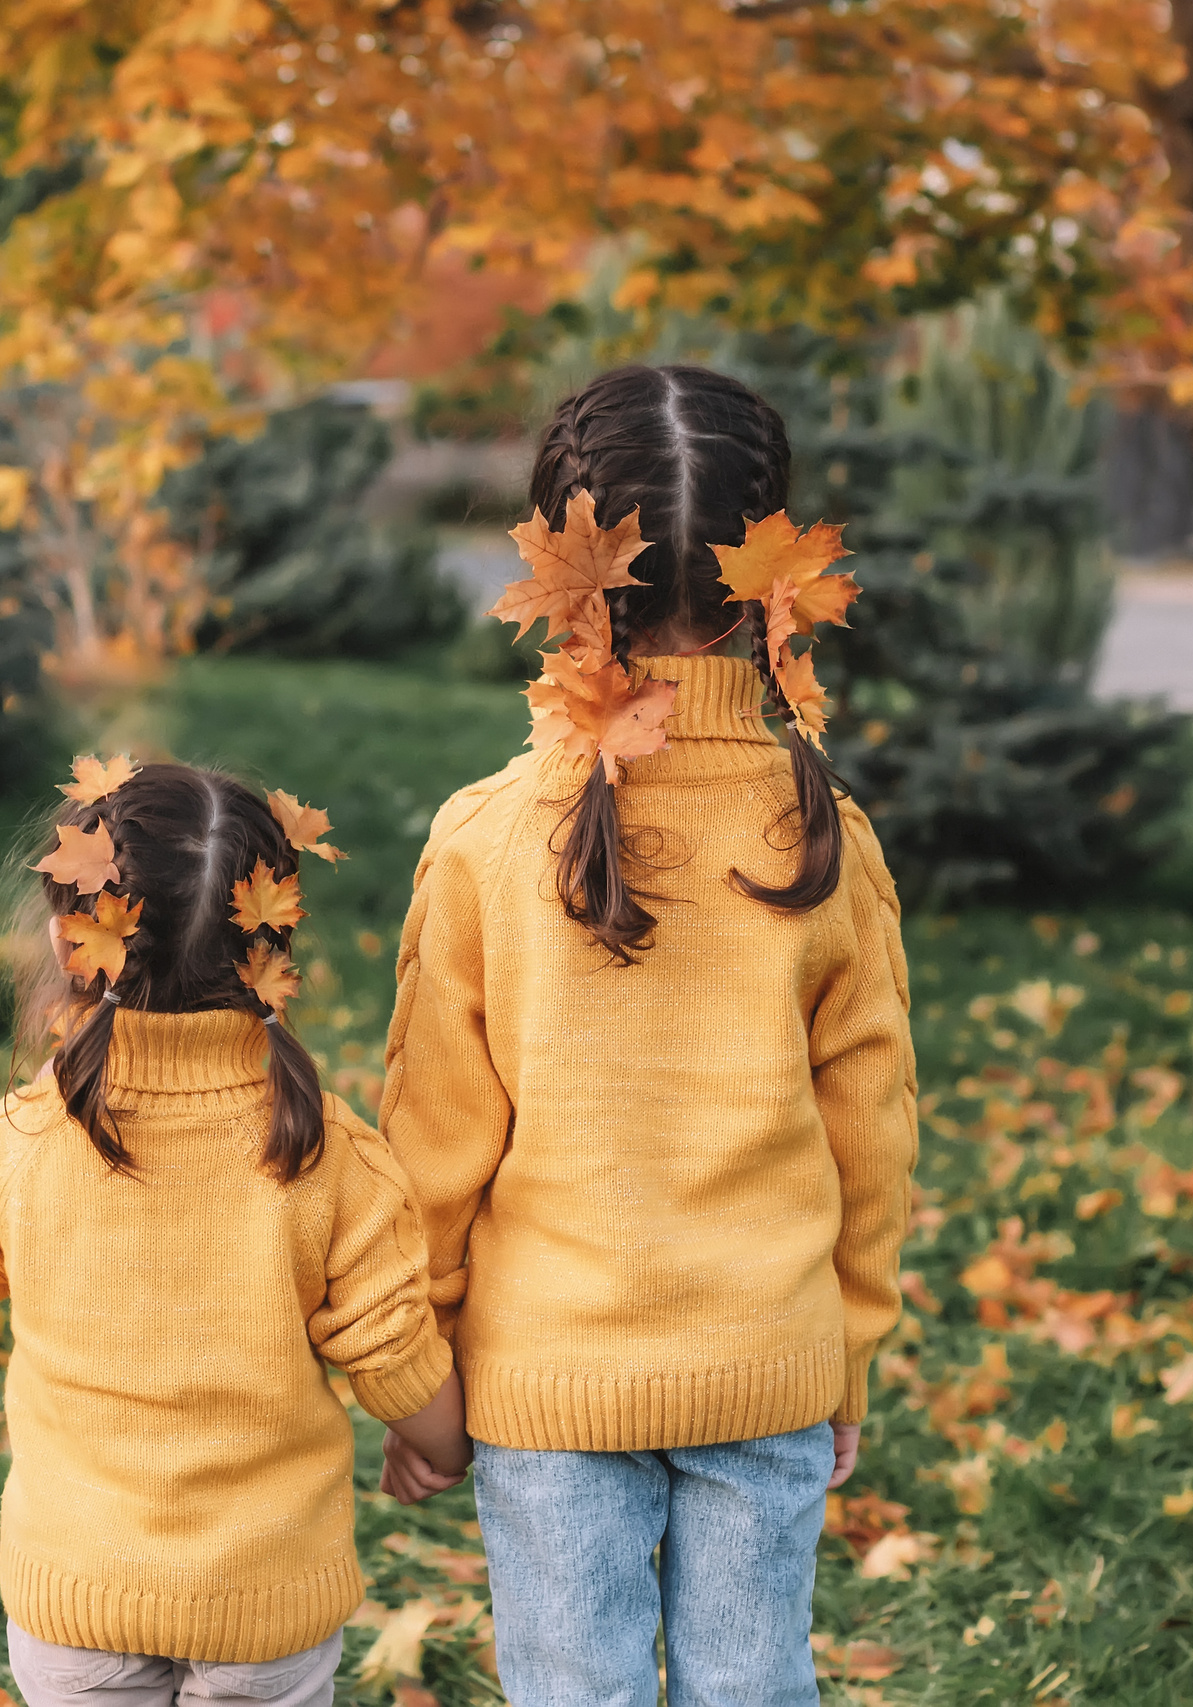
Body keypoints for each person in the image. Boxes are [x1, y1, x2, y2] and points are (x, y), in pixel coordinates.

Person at [377, 365, 920, 1706]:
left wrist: (425, 1361)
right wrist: (845, 1347)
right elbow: (873, 1127)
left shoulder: (488, 837)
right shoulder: (825, 835)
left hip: (545, 1379)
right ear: (769, 574)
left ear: (560, 567)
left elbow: (436, 1139)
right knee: (754, 1682)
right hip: (767, 1364)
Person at [0, 761, 470, 1707]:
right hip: (266, 1598)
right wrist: (441, 1446)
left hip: (78, 1596)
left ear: (64, 938)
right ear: (276, 946)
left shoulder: (18, 1140)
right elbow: (394, 1348)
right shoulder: (329, 1151)